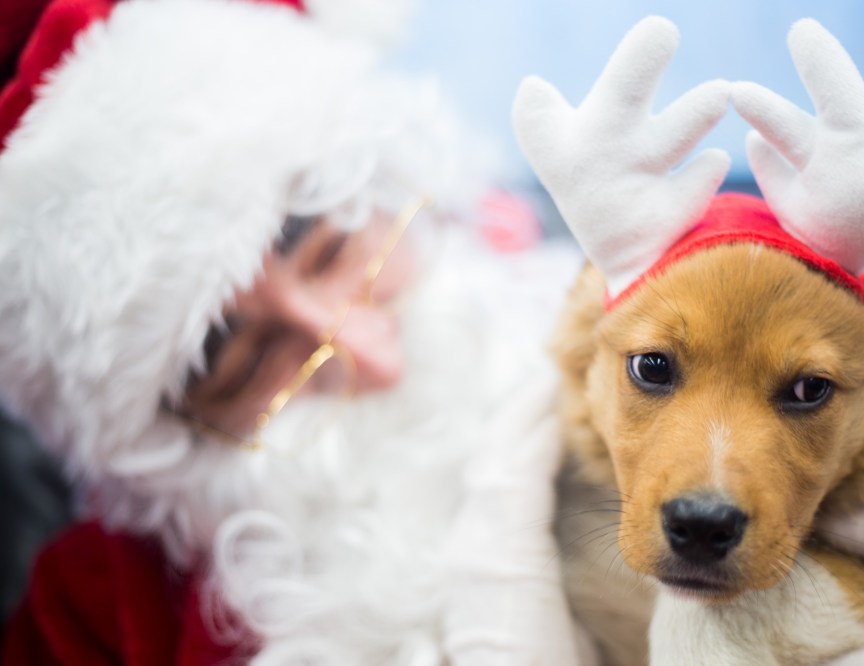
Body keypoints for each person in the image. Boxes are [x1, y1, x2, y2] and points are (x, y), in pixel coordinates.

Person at [0, 0, 589, 662]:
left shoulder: (663, 326)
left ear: (399, 182)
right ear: (167, 448)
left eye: (336, 252)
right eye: (252, 364)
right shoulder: (87, 621)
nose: (371, 357)